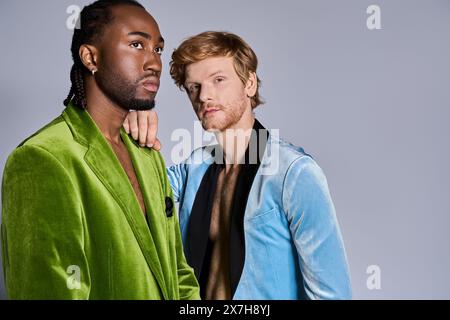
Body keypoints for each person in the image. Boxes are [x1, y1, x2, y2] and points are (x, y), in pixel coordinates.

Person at [125, 31, 352, 300]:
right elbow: (125, 191)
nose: (204, 96)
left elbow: (332, 295)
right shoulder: (191, 170)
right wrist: (127, 120)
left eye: (218, 80)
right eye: (193, 87)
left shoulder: (294, 173)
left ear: (250, 84)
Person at [1, 0, 199, 300]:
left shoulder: (149, 156)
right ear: (90, 57)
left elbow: (179, 274)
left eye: (157, 49)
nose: (154, 63)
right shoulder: (43, 158)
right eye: (136, 44)